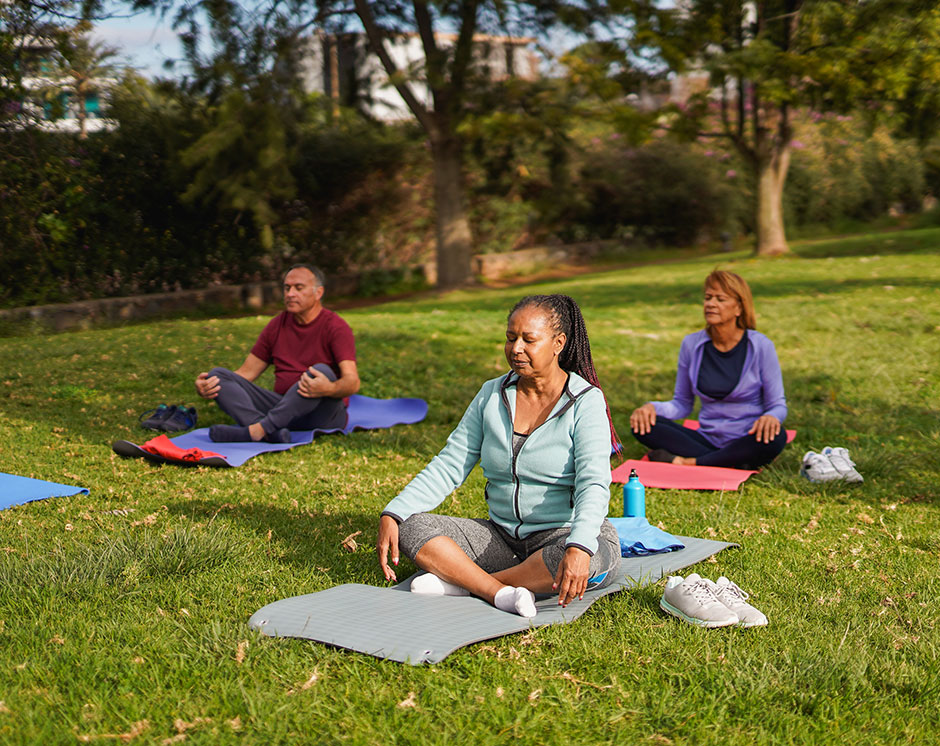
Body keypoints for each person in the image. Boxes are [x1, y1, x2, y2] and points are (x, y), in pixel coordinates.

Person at [376, 294, 621, 618]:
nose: (516, 348)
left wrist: (579, 546)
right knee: (411, 527)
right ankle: (497, 591)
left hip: (564, 534)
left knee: (581, 559)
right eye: (510, 338)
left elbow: (594, 483)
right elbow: (450, 464)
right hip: (502, 538)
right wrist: (395, 512)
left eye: (528, 340)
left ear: (558, 343)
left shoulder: (585, 402)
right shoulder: (491, 394)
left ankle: (464, 584)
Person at [630, 270, 787, 470]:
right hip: (705, 439)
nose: (711, 304)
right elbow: (682, 404)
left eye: (720, 299)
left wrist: (771, 417)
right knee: (644, 425)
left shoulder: (761, 346)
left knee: (776, 436)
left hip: (747, 437)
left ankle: (689, 462)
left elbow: (778, 404)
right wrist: (651, 407)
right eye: (707, 298)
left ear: (739, 307)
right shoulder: (691, 344)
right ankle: (733, 461)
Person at [193, 264, 359, 443]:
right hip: (282, 410)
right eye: (287, 288)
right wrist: (208, 384)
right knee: (218, 375)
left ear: (318, 293)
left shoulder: (335, 327)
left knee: (320, 371)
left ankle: (260, 429)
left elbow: (353, 382)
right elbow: (246, 374)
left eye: (298, 288)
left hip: (322, 415)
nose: (290, 294)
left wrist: (329, 388)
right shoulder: (276, 326)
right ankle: (265, 431)